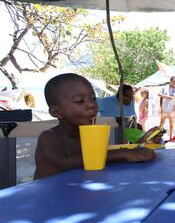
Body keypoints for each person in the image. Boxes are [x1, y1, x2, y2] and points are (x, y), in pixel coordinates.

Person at [34, 74, 162, 179]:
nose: (91, 105)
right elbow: (67, 162)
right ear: (56, 112)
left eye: (93, 98)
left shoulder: (89, 134)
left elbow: (101, 157)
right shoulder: (49, 137)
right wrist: (125, 153)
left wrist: (144, 142)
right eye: (80, 101)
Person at [159, 76, 175, 141]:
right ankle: (158, 136)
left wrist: (162, 95)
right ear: (170, 81)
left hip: (171, 109)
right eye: (173, 81)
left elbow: (171, 97)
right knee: (162, 123)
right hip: (164, 108)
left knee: (171, 123)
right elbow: (160, 96)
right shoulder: (164, 88)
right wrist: (161, 107)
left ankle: (170, 137)